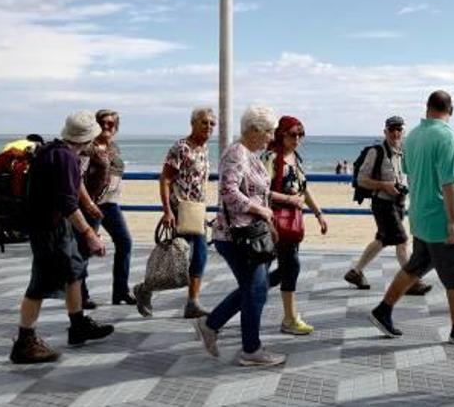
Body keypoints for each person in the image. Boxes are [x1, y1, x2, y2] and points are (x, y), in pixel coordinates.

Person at [368, 90, 454, 344]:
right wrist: (453, 221)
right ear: (451, 110)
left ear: (427, 108)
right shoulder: (446, 138)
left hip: (422, 216)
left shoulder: (412, 136)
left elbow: (411, 172)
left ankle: (383, 310)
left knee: (416, 265)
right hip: (442, 220)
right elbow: (449, 182)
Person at [8, 111, 114, 364]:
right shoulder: (65, 158)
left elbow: (71, 185)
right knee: (40, 284)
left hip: (53, 227)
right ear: (87, 139)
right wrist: (90, 234)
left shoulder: (53, 149)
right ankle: (24, 342)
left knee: (74, 271)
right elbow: (67, 203)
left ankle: (78, 326)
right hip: (48, 229)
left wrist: (87, 205)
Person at [191, 105, 286, 367]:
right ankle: (251, 350)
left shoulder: (251, 155)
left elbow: (261, 193)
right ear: (254, 130)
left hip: (253, 233)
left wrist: (270, 222)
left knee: (254, 288)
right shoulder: (236, 153)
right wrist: (260, 210)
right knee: (256, 290)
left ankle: (210, 325)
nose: (270, 138)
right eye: (268, 132)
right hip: (236, 237)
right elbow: (229, 193)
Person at [135, 107, 216, 318]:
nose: (208, 127)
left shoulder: (204, 149)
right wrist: (167, 211)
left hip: (197, 212)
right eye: (204, 122)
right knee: (174, 260)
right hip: (180, 210)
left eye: (211, 123)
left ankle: (192, 303)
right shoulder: (181, 148)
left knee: (198, 256)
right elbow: (166, 179)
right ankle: (145, 289)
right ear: (193, 124)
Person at [343, 116, 431, 295]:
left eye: (399, 129)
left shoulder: (402, 152)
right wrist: (384, 185)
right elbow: (361, 179)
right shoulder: (377, 151)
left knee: (382, 240)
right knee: (402, 240)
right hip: (382, 204)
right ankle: (411, 281)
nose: (396, 133)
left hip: (398, 204)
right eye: (392, 129)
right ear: (385, 132)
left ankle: (356, 272)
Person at [259, 116, 330, 335]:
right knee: (264, 273)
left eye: (301, 134)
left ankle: (288, 317)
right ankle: (224, 315)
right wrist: (289, 200)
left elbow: (303, 190)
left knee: (289, 268)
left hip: (291, 224)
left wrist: (319, 213)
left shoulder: (295, 158)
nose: (297, 138)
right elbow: (260, 191)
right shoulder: (270, 157)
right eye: (292, 134)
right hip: (270, 223)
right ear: (281, 134)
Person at [76, 109, 135, 307]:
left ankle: (120, 291)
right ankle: (81, 296)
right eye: (103, 122)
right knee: (85, 250)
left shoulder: (114, 147)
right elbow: (77, 179)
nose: (107, 126)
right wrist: (88, 204)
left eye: (112, 123)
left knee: (125, 243)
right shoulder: (88, 148)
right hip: (91, 205)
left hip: (111, 204)